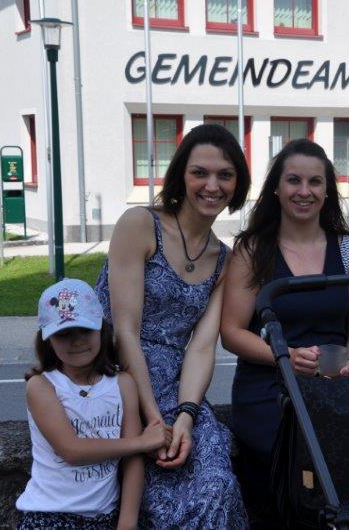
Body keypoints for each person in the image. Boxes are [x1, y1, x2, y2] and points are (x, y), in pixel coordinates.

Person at [95, 124, 249, 528]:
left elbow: (201, 347)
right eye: (200, 172)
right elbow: (124, 331)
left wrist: (186, 415)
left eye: (225, 175)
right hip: (118, 378)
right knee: (163, 503)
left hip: (178, 390)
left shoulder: (224, 259)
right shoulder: (140, 225)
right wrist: (153, 419)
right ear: (181, 174)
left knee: (217, 484)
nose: (212, 185)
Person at [220, 139, 349, 508]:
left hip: (335, 383)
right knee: (292, 460)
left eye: (315, 182)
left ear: (327, 190)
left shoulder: (348, 250)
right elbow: (232, 332)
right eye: (293, 180)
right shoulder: (252, 250)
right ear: (276, 188)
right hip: (269, 387)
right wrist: (285, 356)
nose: (304, 191)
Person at [17, 278, 171, 529]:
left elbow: (133, 460)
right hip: (48, 515)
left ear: (102, 329)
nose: (77, 341)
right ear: (47, 340)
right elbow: (71, 451)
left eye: (85, 330)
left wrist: (127, 521)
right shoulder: (42, 386)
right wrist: (144, 442)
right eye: (64, 334)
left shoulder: (123, 384)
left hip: (104, 517)